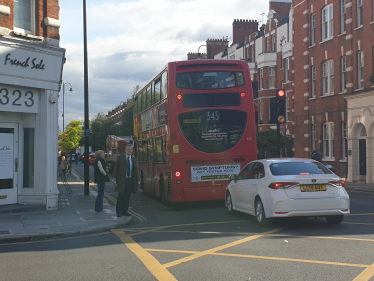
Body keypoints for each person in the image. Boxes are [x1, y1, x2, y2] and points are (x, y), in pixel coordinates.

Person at [112, 144, 138, 217]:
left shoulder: (133, 159)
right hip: (122, 180)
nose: (129, 151)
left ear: (132, 150)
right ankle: (119, 212)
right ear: (125, 150)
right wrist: (114, 178)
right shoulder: (120, 158)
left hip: (130, 180)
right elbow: (116, 168)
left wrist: (137, 180)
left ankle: (125, 211)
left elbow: (136, 170)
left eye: (130, 149)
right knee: (121, 196)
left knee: (127, 197)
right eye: (128, 149)